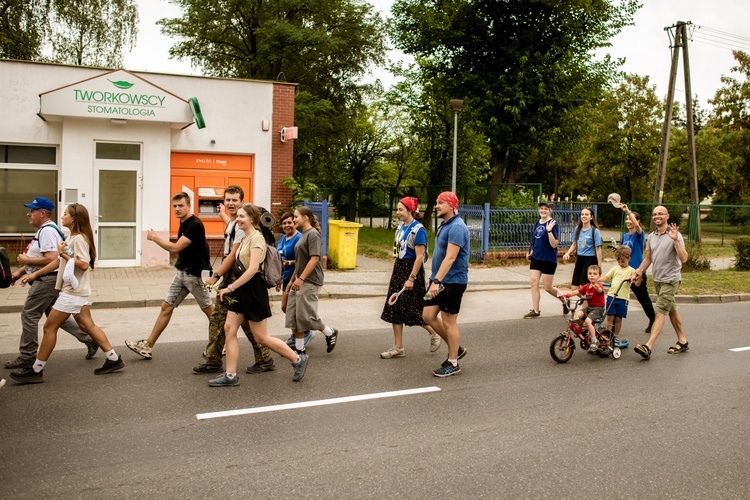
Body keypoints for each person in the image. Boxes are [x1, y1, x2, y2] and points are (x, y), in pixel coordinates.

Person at [10, 204, 124, 384]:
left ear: (74, 219)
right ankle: (113, 358)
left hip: (72, 292)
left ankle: (36, 370)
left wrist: (63, 254)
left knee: (49, 327)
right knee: (88, 326)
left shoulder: (78, 239)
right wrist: (35, 273)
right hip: (77, 291)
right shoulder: (73, 237)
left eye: (65, 214)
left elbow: (83, 264)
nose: (62, 217)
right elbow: (59, 262)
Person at [209, 204, 308, 386]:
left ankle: (297, 359)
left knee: (261, 337)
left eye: (242, 216)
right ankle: (230, 375)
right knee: (229, 329)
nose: (238, 219)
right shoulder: (246, 237)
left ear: (252, 219)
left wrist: (230, 287)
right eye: (237, 216)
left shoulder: (256, 239)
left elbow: (253, 269)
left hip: (253, 289)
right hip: (241, 288)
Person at [4, 197, 96, 371]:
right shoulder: (49, 230)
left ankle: (27, 357)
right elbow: (54, 259)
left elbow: (52, 258)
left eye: (32, 211)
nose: (28, 214)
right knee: (57, 318)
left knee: (29, 315)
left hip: (46, 282)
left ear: (43, 213)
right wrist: (21, 273)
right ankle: (89, 339)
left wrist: (27, 260)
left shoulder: (48, 231)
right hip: (47, 279)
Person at [193, 186, 273, 374]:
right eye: (227, 200)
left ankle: (215, 360)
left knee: (220, 320)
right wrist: (223, 216)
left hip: (236, 278)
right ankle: (264, 357)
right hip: (234, 279)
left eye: (234, 200)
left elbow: (232, 255)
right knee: (238, 322)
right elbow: (232, 226)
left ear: (242, 201)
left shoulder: (242, 226)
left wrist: (216, 276)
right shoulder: (235, 222)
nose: (230, 203)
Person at [125, 192, 214, 359]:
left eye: (181, 205)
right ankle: (147, 345)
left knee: (209, 309)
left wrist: (155, 238)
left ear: (189, 206)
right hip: (182, 273)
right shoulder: (184, 223)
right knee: (167, 306)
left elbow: (175, 248)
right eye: (175, 206)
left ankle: (220, 343)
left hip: (193, 275)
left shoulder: (194, 225)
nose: (177, 209)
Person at [379, 197, 441, 359]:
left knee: (413, 308)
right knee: (395, 309)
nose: (397, 212)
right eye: (397, 209)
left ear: (410, 210)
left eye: (400, 209)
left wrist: (411, 278)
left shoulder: (418, 230)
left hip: (412, 271)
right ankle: (398, 348)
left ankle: (434, 333)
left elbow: (419, 257)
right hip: (399, 268)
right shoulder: (400, 227)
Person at [632, 206, 690, 360]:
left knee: (659, 312)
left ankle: (648, 346)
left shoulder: (674, 235)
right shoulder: (651, 236)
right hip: (658, 279)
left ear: (667, 216)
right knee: (671, 309)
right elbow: (649, 258)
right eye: (655, 214)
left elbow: (684, 259)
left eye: (660, 214)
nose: (657, 216)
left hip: (671, 279)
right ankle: (682, 340)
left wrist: (676, 241)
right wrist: (639, 270)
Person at [422, 192, 470, 377]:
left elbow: (450, 258)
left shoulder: (457, 227)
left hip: (452, 282)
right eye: (436, 202)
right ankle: (455, 348)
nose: (436, 206)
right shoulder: (445, 224)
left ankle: (453, 363)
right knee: (427, 315)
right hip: (439, 281)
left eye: (440, 202)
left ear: (451, 205)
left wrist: (436, 281)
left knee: (449, 321)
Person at [285, 206, 339, 354]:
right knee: (294, 316)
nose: (294, 219)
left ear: (305, 218)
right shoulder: (303, 234)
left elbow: (315, 259)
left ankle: (329, 332)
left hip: (310, 280)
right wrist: (292, 280)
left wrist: (301, 278)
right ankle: (299, 349)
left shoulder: (313, 234)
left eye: (296, 217)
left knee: (305, 316)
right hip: (299, 279)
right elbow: (300, 260)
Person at [277, 212, 314, 348]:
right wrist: (279, 278)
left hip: (295, 277)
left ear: (294, 223)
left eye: (289, 222)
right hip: (285, 277)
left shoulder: (299, 238)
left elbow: (302, 260)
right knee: (285, 307)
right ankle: (299, 333)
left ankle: (302, 333)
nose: (287, 225)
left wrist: (290, 264)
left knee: (292, 308)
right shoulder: (282, 238)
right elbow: (278, 259)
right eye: (284, 223)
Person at [618, 203, 656, 333]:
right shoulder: (625, 236)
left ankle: (653, 319)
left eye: (631, 219)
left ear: (637, 221)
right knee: (618, 295)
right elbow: (623, 254)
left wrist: (627, 211)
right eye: (627, 219)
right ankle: (613, 322)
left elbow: (638, 228)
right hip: (625, 271)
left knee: (642, 298)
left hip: (637, 271)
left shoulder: (639, 235)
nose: (628, 221)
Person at [524, 201, 566, 318]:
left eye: (545, 209)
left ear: (549, 210)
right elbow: (535, 240)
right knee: (533, 282)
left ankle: (564, 300)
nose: (543, 211)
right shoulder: (538, 222)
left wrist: (548, 231)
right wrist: (531, 252)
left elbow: (554, 244)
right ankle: (536, 310)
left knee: (548, 287)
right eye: (541, 208)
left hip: (548, 259)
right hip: (537, 257)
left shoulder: (553, 223)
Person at [563, 265, 606, 352]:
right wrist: (567, 294)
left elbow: (600, 291)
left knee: (587, 321)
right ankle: (584, 330)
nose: (592, 275)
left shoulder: (599, 285)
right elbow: (577, 291)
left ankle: (594, 341)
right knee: (577, 316)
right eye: (590, 273)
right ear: (587, 275)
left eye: (595, 274)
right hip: (589, 307)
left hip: (598, 309)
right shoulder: (587, 286)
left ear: (599, 276)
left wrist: (597, 287)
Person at [602, 246, 637, 347]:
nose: (621, 264)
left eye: (623, 261)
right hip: (611, 296)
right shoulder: (614, 269)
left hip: (623, 298)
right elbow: (606, 277)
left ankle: (615, 337)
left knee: (618, 319)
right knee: (610, 317)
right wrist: (597, 280)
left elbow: (636, 280)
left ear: (628, 258)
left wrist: (633, 278)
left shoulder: (631, 270)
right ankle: (608, 336)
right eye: (619, 261)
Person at [562, 207, 603, 287]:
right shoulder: (577, 229)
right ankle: (588, 299)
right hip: (579, 259)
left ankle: (588, 299)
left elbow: (598, 250)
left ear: (591, 217)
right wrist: (568, 253)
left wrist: (599, 266)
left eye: (586, 214)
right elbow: (574, 244)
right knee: (574, 287)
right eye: (582, 214)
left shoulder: (595, 231)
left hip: (590, 259)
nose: (584, 216)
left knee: (583, 286)